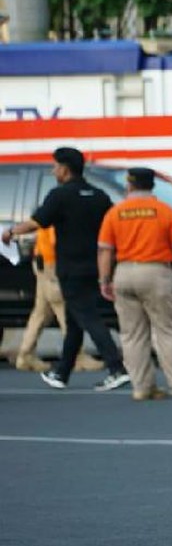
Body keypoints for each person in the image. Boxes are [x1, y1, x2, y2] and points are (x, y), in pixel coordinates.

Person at [2, 147, 130, 391]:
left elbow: (37, 222)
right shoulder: (99, 195)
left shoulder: (60, 195)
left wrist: (10, 232)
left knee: (88, 317)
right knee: (73, 322)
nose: (53, 170)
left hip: (70, 268)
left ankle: (116, 367)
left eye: (55, 166)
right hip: (94, 266)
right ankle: (62, 372)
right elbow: (113, 228)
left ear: (65, 168)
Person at [97, 168, 172, 401]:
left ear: (129, 186)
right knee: (168, 331)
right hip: (157, 273)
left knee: (132, 334)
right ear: (152, 186)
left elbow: (105, 250)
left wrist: (104, 280)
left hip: (124, 272)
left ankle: (142, 387)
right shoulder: (165, 212)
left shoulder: (115, 212)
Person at [11, 225, 105, 373]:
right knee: (67, 311)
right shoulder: (59, 215)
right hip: (53, 265)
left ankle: (25, 355)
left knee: (41, 313)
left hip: (43, 264)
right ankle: (77, 357)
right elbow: (60, 242)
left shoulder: (50, 212)